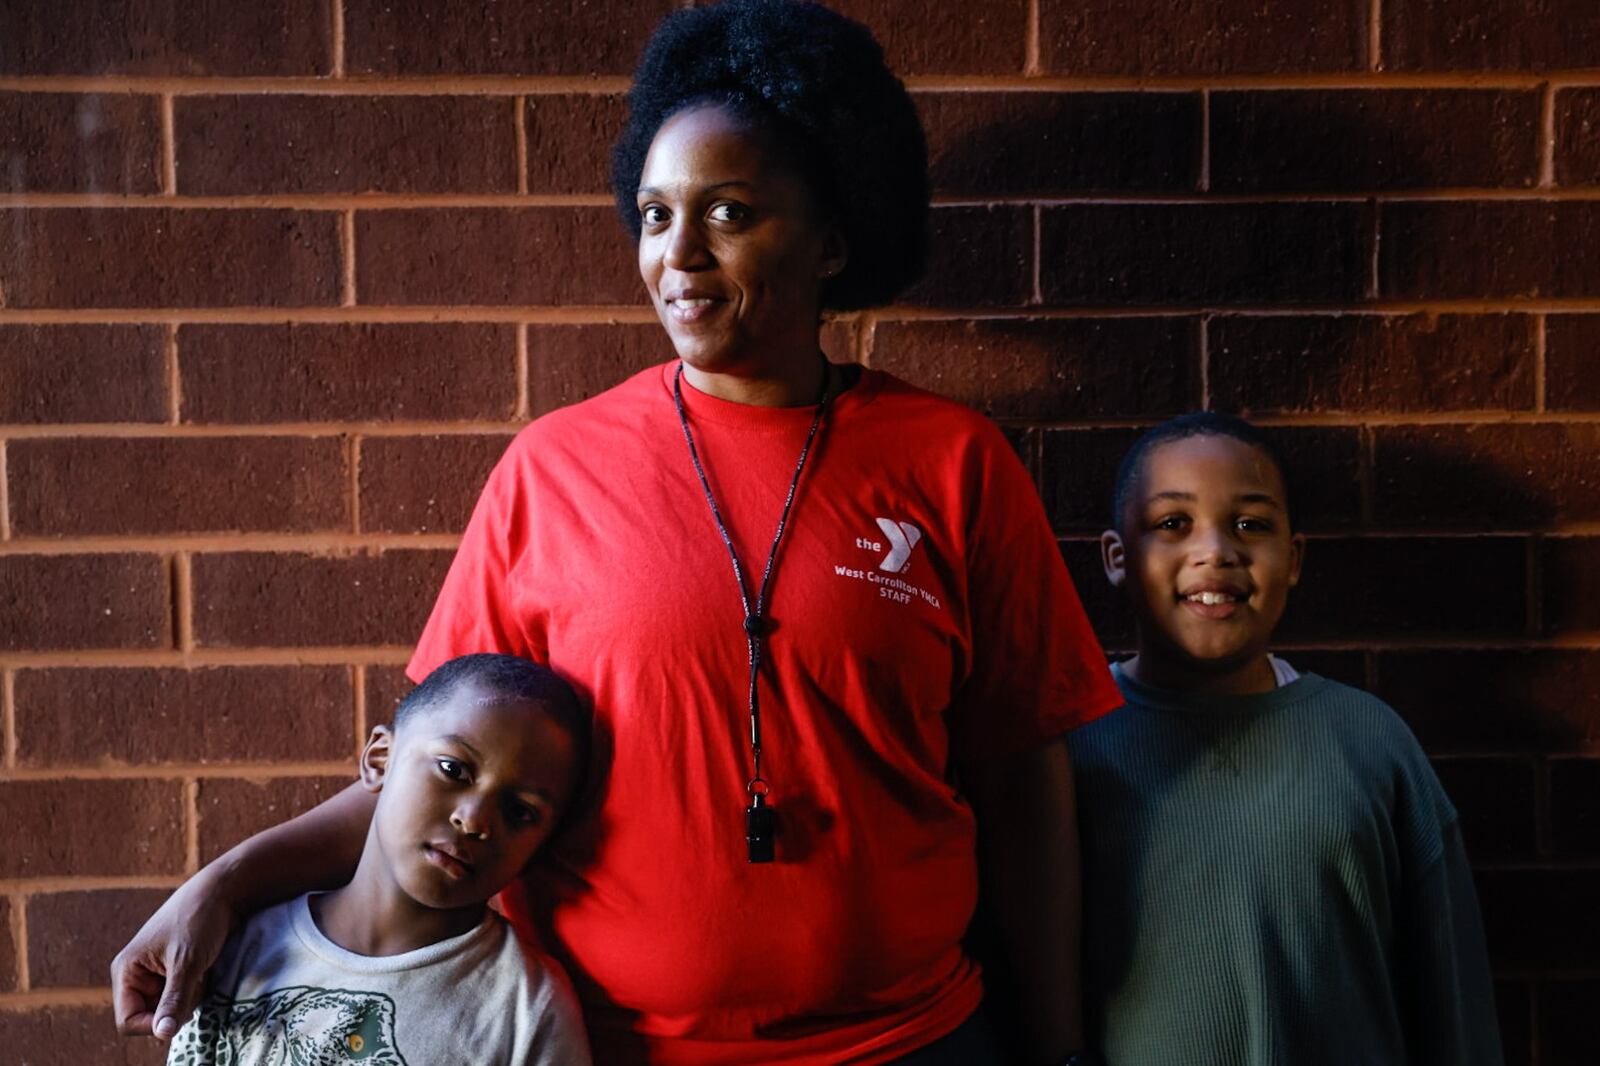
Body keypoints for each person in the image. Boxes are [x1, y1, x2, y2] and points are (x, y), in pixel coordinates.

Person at [114, 2, 1121, 1063]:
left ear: (830, 240)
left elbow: (1025, 785)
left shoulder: (952, 461)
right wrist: (222, 883)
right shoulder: (554, 469)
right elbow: (429, 770)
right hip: (608, 1046)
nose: (677, 253)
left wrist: (1057, 1041)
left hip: (911, 1041)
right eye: (653, 214)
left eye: (728, 213)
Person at [1068, 412, 1503, 1065]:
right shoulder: (1067, 747)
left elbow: (1453, 1000)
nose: (1216, 551)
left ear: (1293, 558)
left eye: (1251, 524)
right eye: (1172, 524)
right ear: (1117, 557)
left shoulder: (1370, 742)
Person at [164, 653, 592, 1065]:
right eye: (453, 769)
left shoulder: (527, 1010)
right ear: (379, 759)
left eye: (520, 811)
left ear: (540, 849)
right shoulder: (241, 950)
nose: (474, 819)